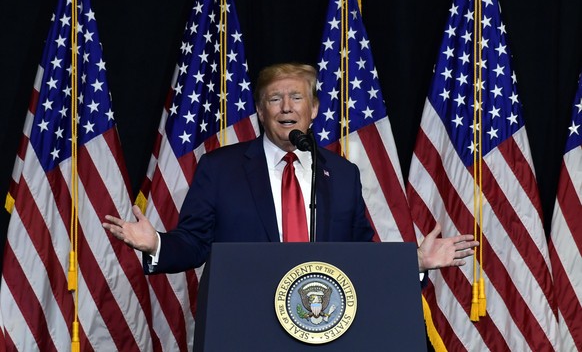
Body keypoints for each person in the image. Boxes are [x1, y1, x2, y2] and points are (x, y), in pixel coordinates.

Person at [103, 63, 477, 274]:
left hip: (326, 326)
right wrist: (156, 244)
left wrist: (415, 263)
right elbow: (194, 243)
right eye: (274, 99)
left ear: (313, 109)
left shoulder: (343, 175)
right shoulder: (220, 168)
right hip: (246, 326)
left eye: (296, 97)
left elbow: (360, 257)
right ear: (261, 111)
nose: (286, 107)